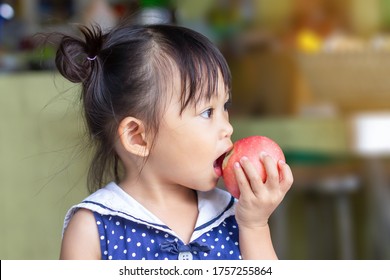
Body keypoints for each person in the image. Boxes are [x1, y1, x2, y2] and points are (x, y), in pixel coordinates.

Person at [51, 20, 293, 260]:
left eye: (225, 106)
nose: (227, 127)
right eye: (207, 111)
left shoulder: (237, 214)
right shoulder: (93, 229)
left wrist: (255, 226)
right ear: (138, 137)